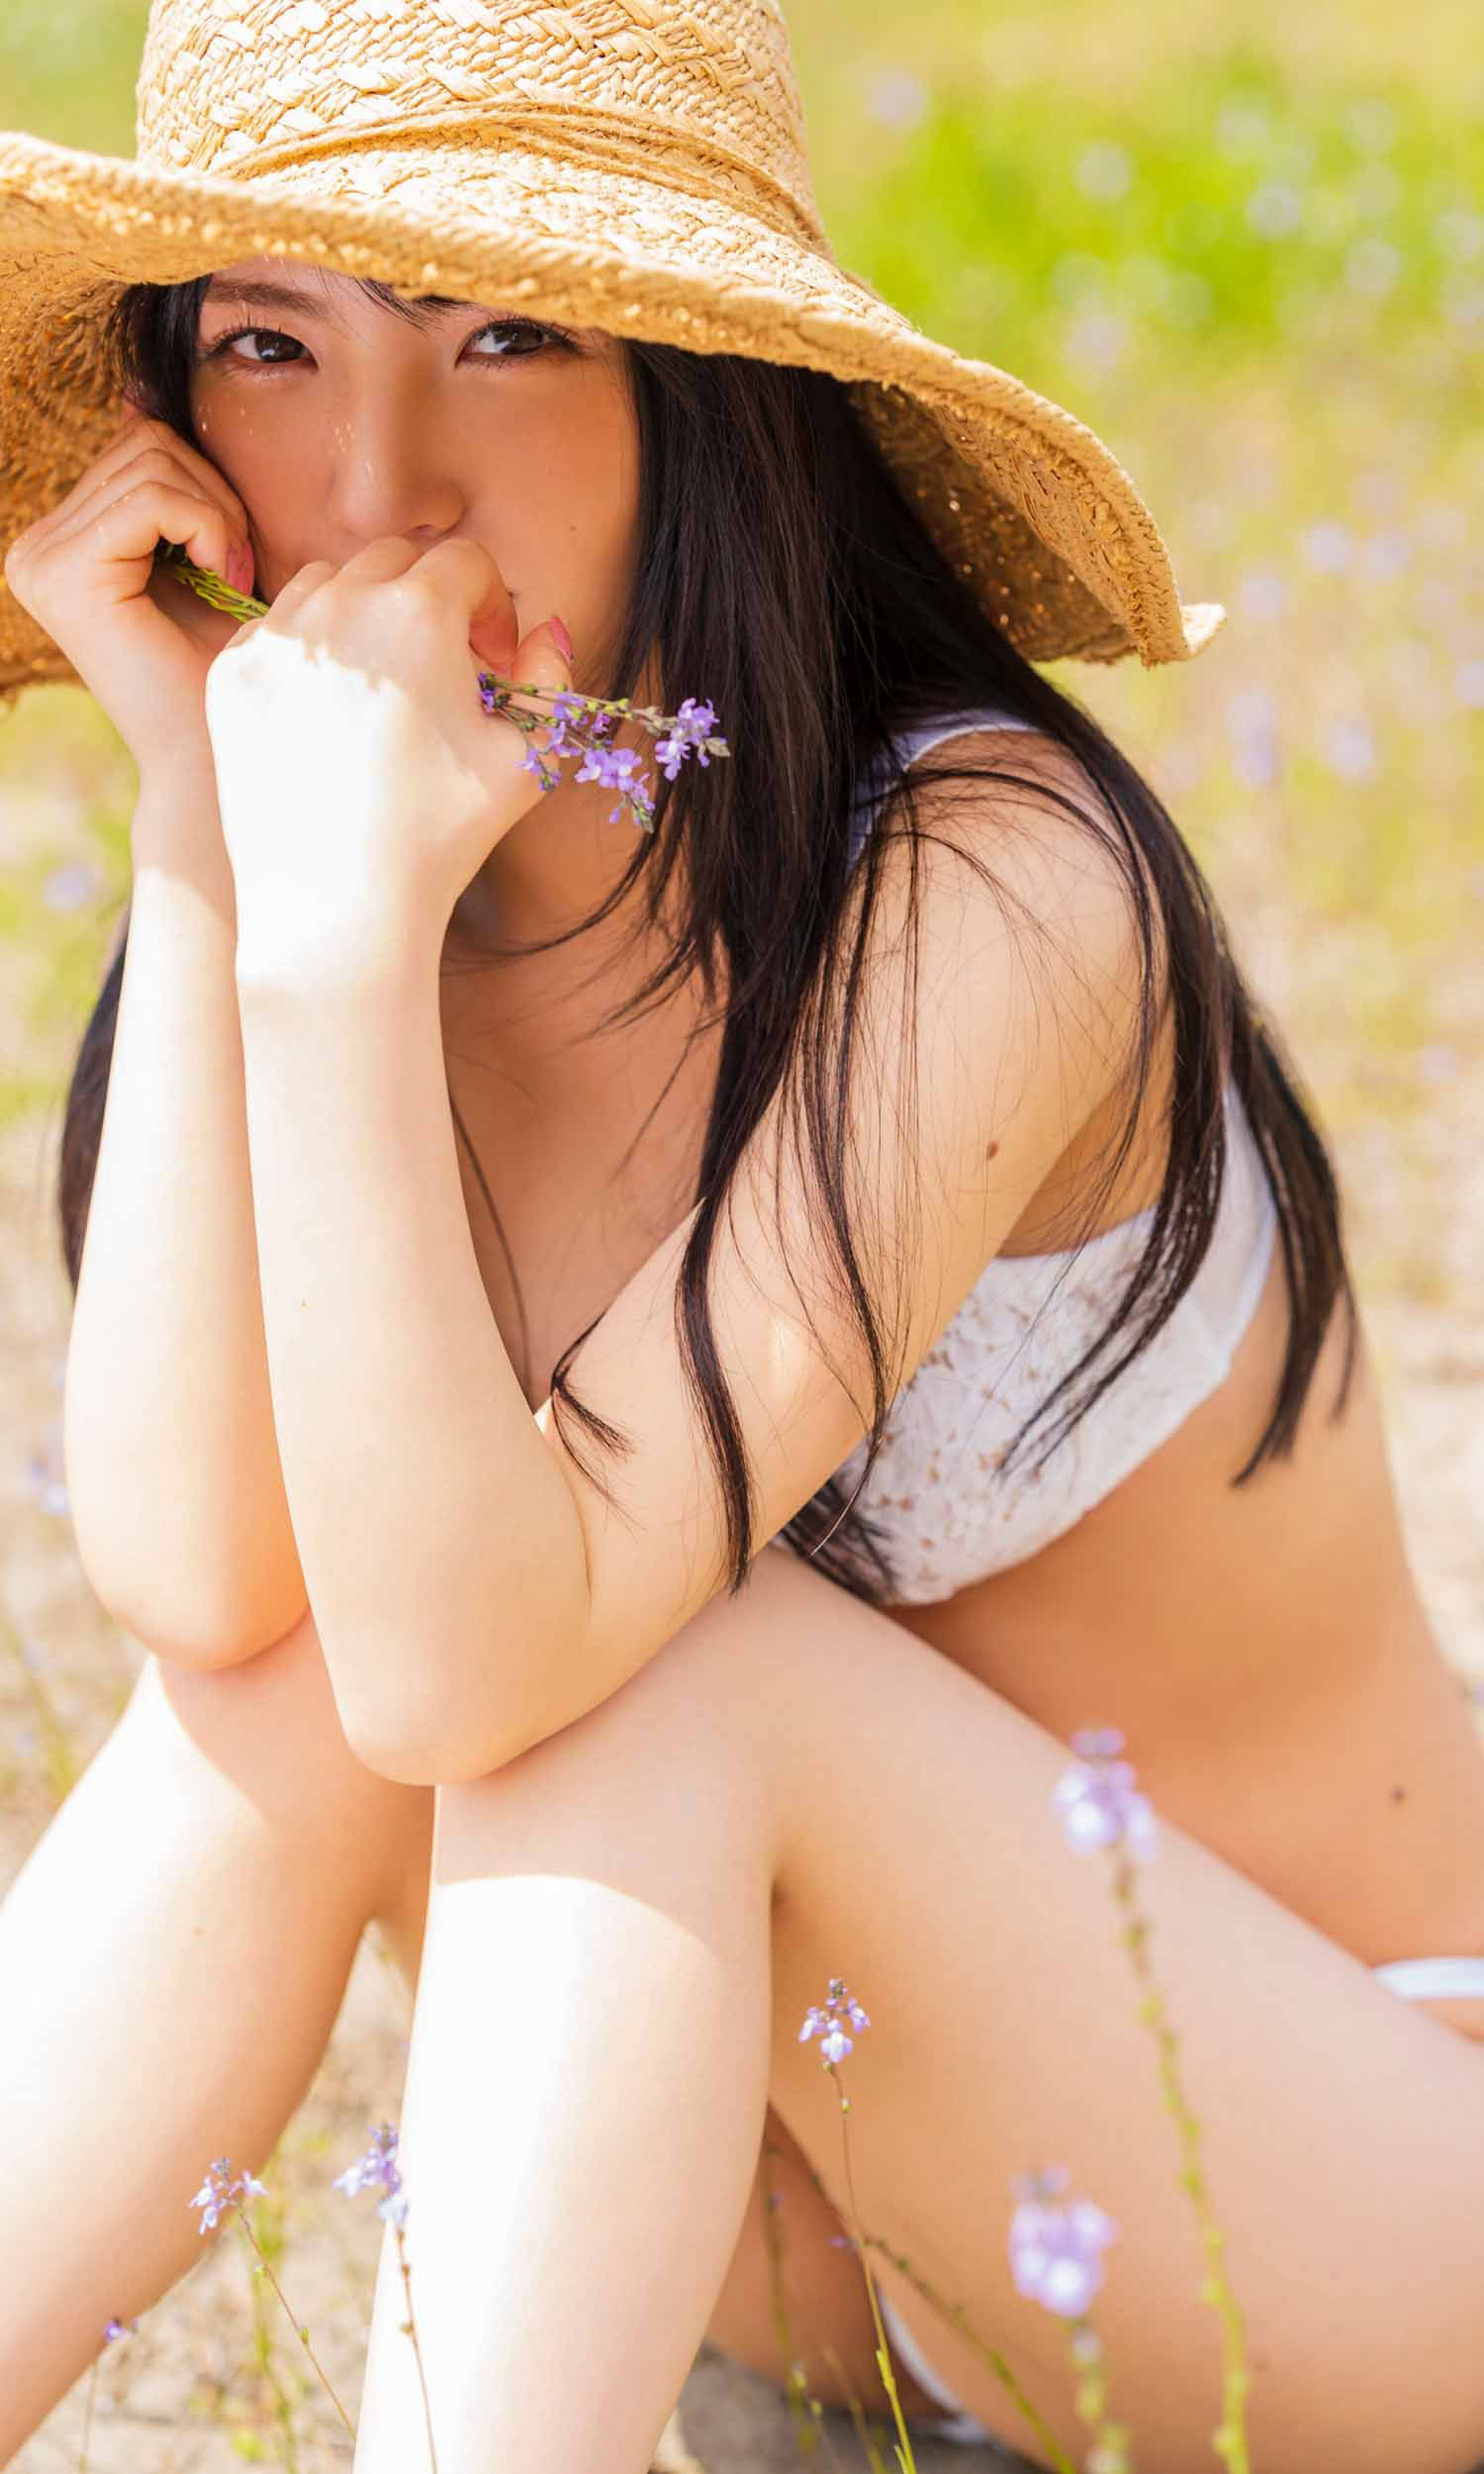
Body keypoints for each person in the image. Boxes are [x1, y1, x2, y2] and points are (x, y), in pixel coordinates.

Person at [1, 6, 1482, 2472]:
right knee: (310, 1654)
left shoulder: (992, 883)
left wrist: (331, 949)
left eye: (508, 337)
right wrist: (201, 815)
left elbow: (482, 1666)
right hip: (809, 2231)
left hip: (1335, 2193)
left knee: (656, 1666)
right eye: (269, 345)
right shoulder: (350, 874)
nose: (378, 481)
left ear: (704, 389)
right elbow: (198, 1580)